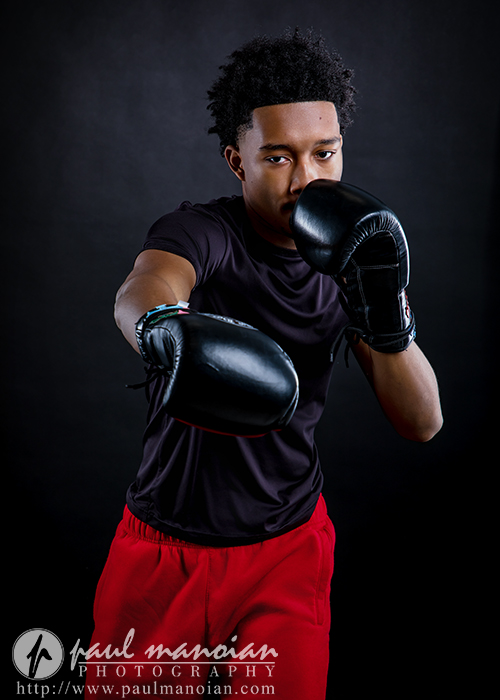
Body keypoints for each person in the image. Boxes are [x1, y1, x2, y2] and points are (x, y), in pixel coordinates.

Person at [85, 29, 442, 699]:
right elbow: (146, 287)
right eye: (278, 156)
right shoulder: (204, 231)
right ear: (236, 160)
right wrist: (162, 330)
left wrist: (385, 314)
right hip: (164, 550)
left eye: (324, 153)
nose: (306, 179)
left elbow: (422, 422)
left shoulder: (351, 253)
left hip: (287, 550)